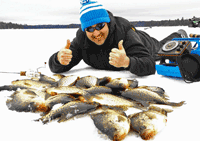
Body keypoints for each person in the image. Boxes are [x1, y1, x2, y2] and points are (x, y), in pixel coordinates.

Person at [49, 0, 188, 76]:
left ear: (108, 23)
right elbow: (56, 67)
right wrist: (58, 59)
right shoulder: (82, 40)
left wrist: (127, 62)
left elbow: (150, 65)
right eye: (90, 28)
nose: (96, 33)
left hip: (143, 42)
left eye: (100, 26)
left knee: (162, 47)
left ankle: (179, 34)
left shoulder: (124, 35)